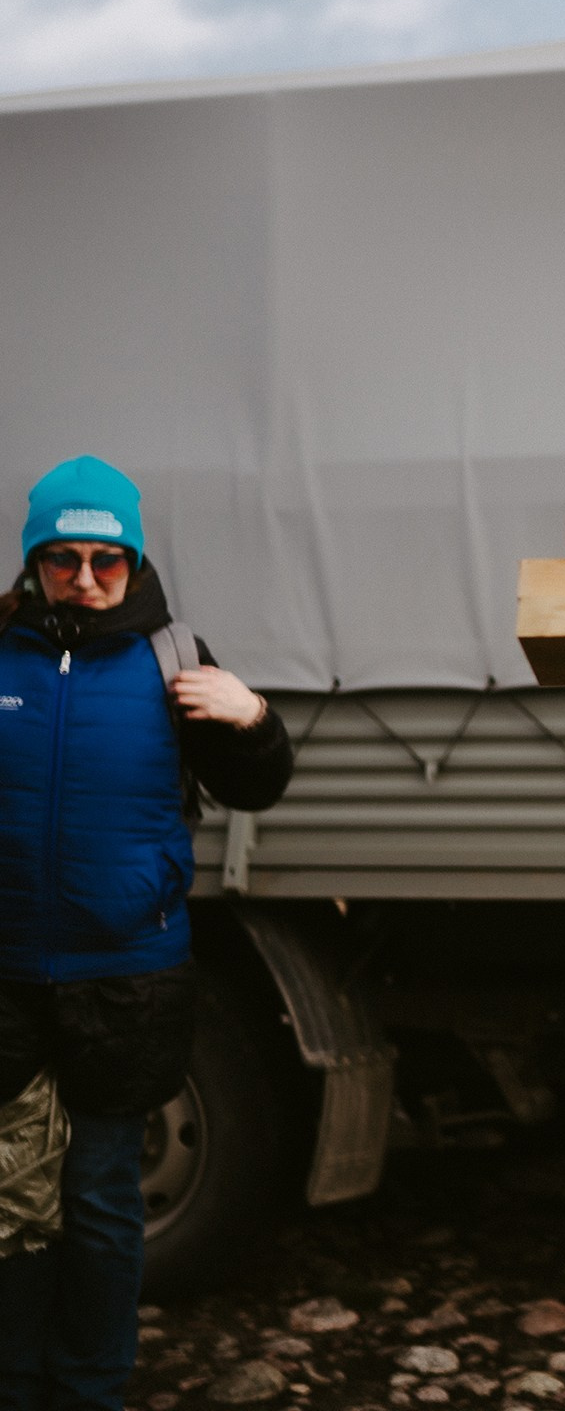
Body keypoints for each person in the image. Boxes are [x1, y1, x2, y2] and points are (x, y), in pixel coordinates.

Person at [0, 456, 294, 1410]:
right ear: (33, 558)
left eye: (106, 560)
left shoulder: (175, 658)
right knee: (13, 1204)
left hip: (125, 980)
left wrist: (250, 719)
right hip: (6, 978)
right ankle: (16, 1381)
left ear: (134, 559)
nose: (85, 579)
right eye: (62, 558)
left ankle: (87, 1390)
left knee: (96, 1198)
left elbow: (259, 784)